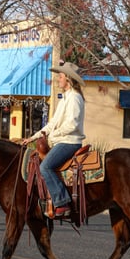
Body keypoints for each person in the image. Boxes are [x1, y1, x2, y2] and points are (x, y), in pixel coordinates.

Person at [22, 60, 86, 218]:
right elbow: (51, 124)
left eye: (61, 76)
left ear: (69, 79)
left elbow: (72, 125)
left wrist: (54, 135)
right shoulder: (65, 98)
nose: (58, 79)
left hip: (70, 142)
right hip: (62, 140)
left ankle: (62, 202)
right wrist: (32, 138)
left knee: (45, 168)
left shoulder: (75, 98)